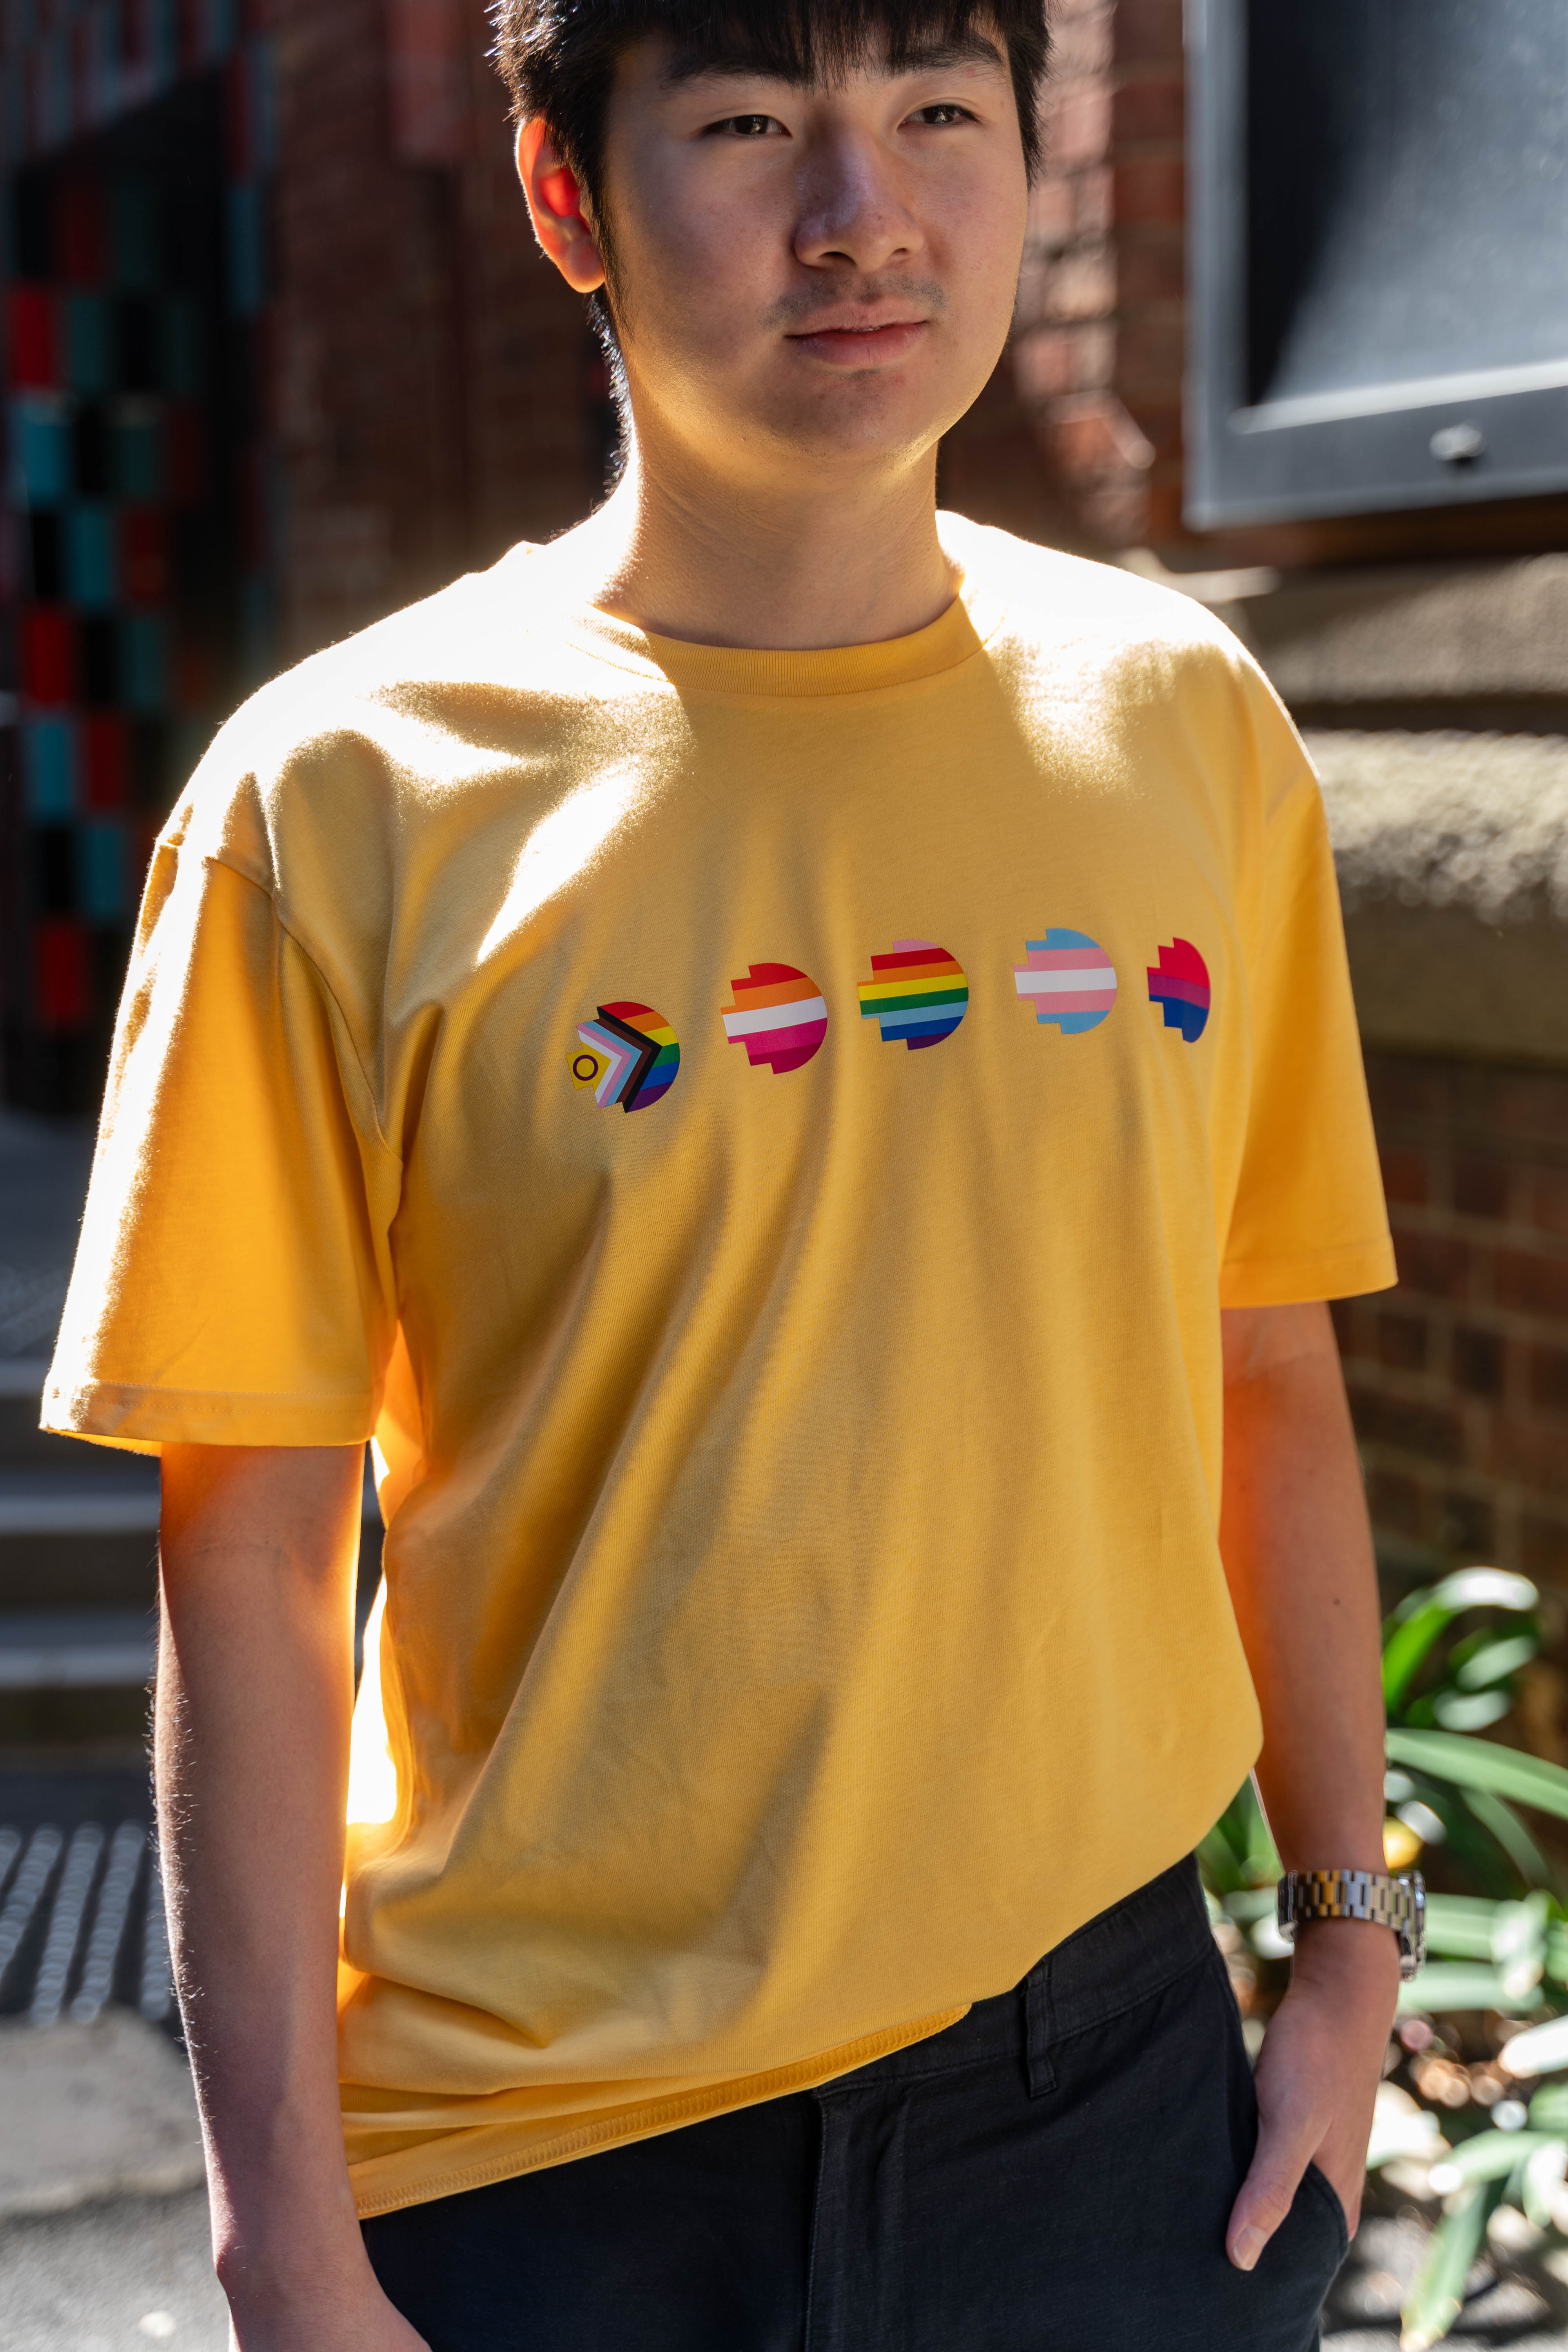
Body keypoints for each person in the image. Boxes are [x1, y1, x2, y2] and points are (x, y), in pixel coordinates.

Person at [45, 2, 1406, 2345]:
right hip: (548, 2167)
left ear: (1033, 162)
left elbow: (1266, 1373)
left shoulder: (1187, 727)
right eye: (755, 122)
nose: (861, 217)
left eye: (938, 113)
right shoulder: (339, 798)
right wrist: (282, 2227)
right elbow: (253, 1549)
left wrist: (1348, 1948)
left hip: (1108, 2124)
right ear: (566, 195)